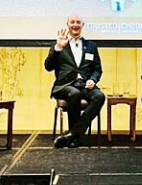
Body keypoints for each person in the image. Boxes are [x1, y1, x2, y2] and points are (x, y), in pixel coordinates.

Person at [44, 14, 105, 148]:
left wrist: (93, 80)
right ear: (68, 25)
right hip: (65, 86)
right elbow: (48, 66)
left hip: (85, 85)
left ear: (82, 26)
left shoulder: (91, 46)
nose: (75, 25)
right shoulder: (58, 45)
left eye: (78, 22)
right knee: (74, 94)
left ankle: (72, 134)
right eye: (72, 22)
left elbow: (97, 69)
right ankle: (75, 136)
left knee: (99, 96)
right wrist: (58, 48)